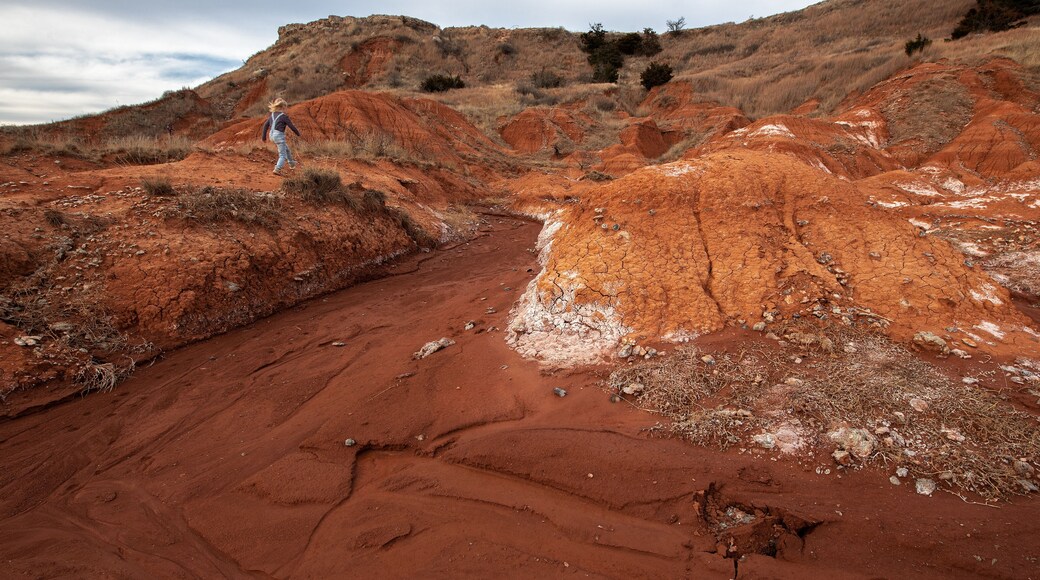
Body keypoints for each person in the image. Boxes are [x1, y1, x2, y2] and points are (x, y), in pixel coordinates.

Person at [261, 98, 301, 175]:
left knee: (287, 149)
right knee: (282, 155)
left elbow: (265, 126)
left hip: (272, 136)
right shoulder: (284, 116)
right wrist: (298, 133)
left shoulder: (272, 115)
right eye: (286, 107)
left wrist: (263, 137)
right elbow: (291, 126)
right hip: (278, 136)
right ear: (282, 107)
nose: (287, 109)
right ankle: (277, 169)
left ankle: (291, 163)